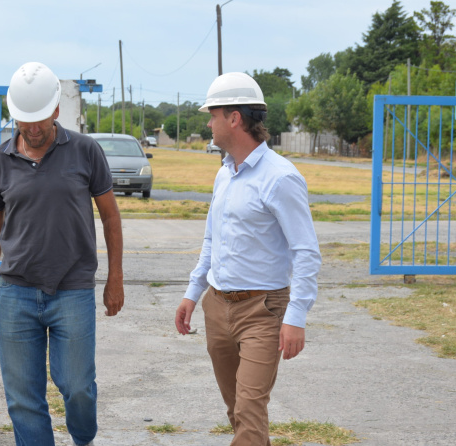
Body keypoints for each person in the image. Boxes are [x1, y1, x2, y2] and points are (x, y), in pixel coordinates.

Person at [174, 72, 322, 446]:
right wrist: (193, 293)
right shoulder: (224, 174)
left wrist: (296, 316)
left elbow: (306, 251)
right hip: (217, 306)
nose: (209, 124)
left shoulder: (280, 177)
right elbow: (212, 239)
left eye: (213, 116)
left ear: (234, 118)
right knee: (238, 412)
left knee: (250, 411)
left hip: (262, 311)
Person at [0, 62, 124, 446]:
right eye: (24, 120)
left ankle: (83, 437)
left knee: (77, 386)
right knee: (23, 398)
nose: (32, 128)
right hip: (15, 292)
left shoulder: (86, 151)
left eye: (40, 119)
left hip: (72, 289)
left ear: (57, 109)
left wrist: (115, 278)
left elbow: (110, 216)